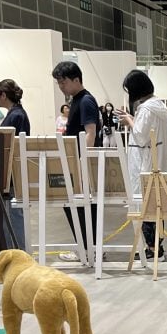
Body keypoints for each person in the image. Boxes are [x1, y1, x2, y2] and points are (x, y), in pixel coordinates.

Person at [118, 71, 167, 261]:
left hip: (146, 164)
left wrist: (129, 120)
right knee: (156, 205)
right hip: (155, 162)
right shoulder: (157, 106)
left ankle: (152, 249)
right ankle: (155, 247)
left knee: (146, 205)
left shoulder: (146, 109)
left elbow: (141, 136)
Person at [52, 61, 101, 262]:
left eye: (63, 82)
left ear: (76, 79)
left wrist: (82, 162)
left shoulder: (86, 101)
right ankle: (88, 248)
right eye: (58, 83)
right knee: (76, 205)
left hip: (82, 162)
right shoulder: (78, 100)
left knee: (81, 206)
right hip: (78, 160)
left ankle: (89, 249)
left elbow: (90, 133)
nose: (61, 86)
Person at [0, 79, 30, 249]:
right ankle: (15, 253)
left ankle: (19, 253)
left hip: (13, 172)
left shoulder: (16, 115)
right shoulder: (14, 114)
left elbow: (15, 144)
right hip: (10, 171)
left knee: (14, 214)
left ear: (3, 95)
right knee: (10, 215)